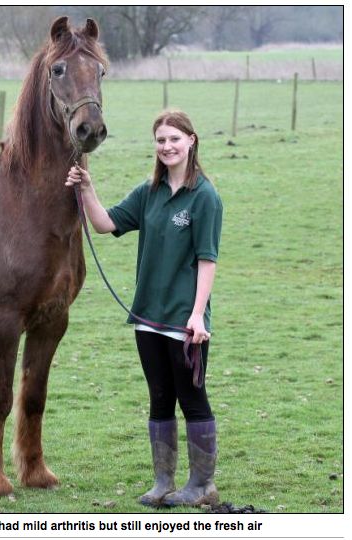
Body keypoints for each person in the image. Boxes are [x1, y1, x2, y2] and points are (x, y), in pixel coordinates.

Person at [66, 110, 223, 508]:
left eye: (174, 139)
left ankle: (202, 485)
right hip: (147, 318)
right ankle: (163, 482)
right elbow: (104, 224)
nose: (167, 147)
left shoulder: (204, 196)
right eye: (160, 140)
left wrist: (197, 315)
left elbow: (207, 259)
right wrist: (87, 189)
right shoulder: (148, 192)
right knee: (159, 399)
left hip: (184, 322)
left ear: (191, 140)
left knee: (192, 399)